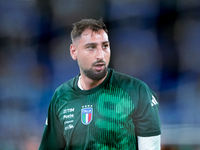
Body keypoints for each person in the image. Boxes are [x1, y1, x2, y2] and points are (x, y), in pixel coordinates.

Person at [39, 18, 161, 150]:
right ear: (74, 51)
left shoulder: (137, 91)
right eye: (91, 47)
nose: (100, 55)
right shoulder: (61, 96)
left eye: (105, 46)